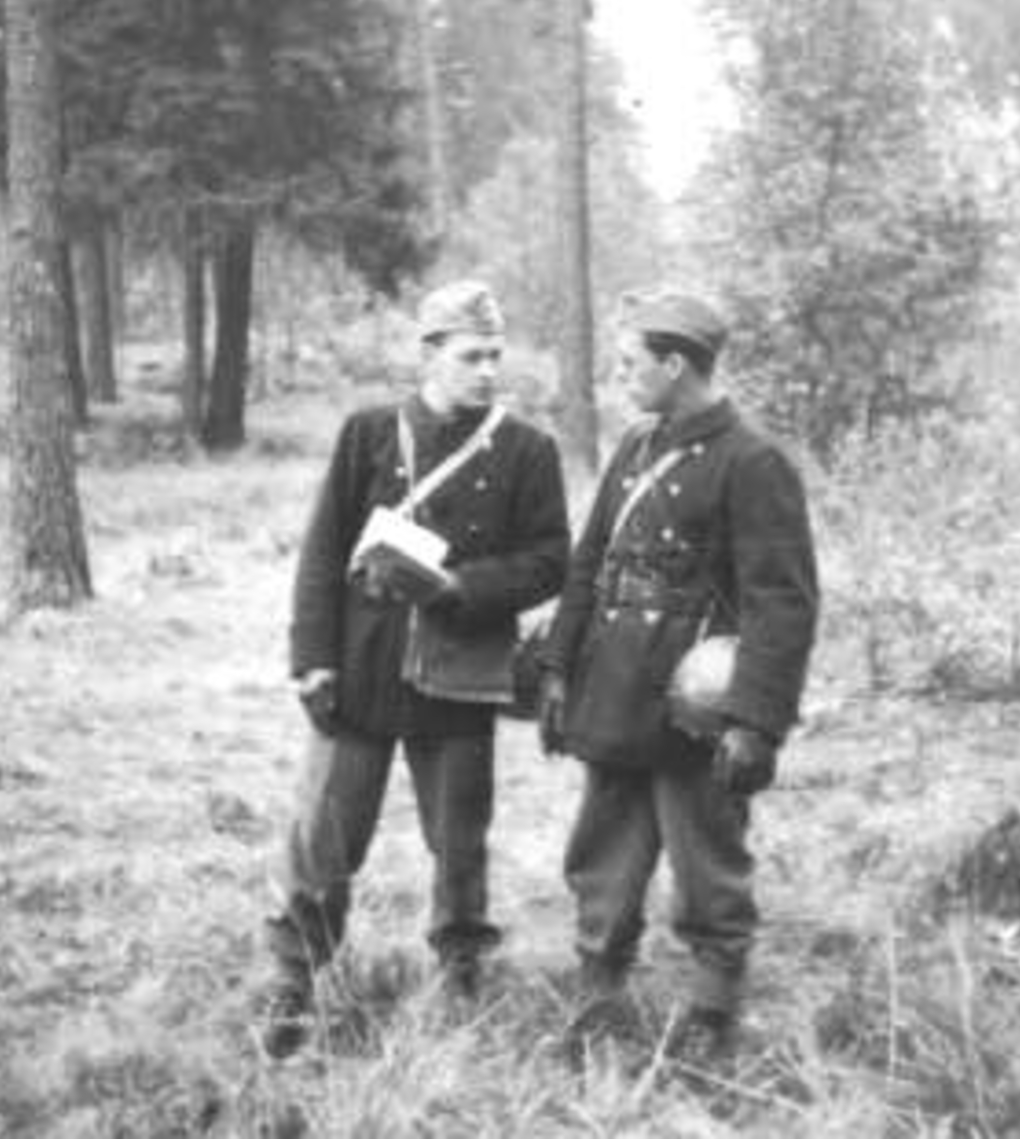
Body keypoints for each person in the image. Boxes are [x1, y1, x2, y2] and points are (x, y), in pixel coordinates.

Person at [260, 279, 570, 1059]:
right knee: (325, 835)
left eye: (495, 356)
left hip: (460, 674)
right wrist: (312, 660)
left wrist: (462, 587)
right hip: (362, 670)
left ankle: (461, 969)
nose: (488, 371)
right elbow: (323, 552)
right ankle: (294, 979)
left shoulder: (527, 450)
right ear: (429, 353)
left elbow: (549, 560)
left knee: (460, 840)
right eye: (471, 356)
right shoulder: (367, 434)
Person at [539, 290, 819, 1060]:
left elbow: (782, 604)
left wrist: (756, 722)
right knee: (602, 854)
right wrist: (558, 666)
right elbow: (589, 564)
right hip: (613, 686)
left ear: (674, 365)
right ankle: (599, 995)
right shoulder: (635, 446)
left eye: (630, 362)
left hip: (694, 707)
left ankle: (712, 1010)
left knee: (708, 866)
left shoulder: (753, 461)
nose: (620, 375)